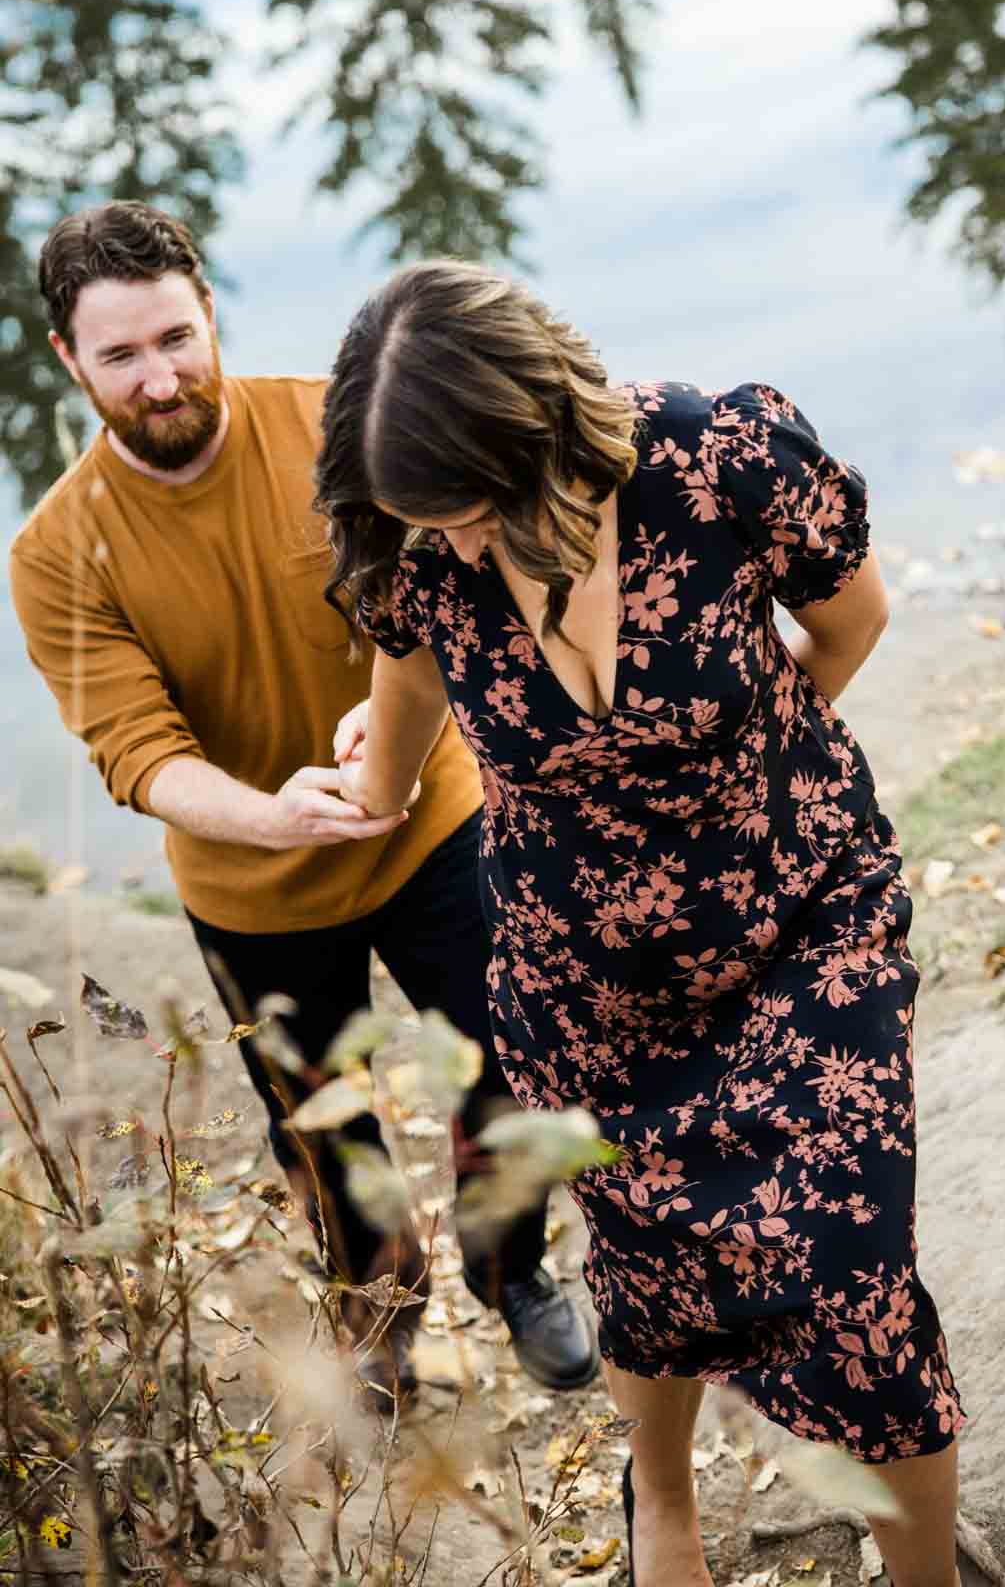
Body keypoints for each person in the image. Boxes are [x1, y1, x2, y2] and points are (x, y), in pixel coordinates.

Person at [315, 260, 966, 1587]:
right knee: (651, 1270)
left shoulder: (721, 456)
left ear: (537, 437)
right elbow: (395, 748)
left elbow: (848, 627)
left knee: (853, 1282)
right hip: (583, 992)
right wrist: (338, 786)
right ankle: (661, 1496)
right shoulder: (422, 555)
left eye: (473, 515)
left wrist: (732, 777)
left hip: (801, 925)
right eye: (429, 527)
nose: (458, 552)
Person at [8, 203, 595, 1406]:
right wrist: (273, 817)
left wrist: (406, 723)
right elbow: (136, 751)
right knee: (322, 1128)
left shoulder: (341, 427)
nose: (159, 378)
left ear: (210, 310)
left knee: (513, 1054)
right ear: (68, 358)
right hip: (253, 887)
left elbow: (456, 589)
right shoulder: (56, 551)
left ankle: (514, 1269)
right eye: (120, 354)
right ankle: (388, 1319)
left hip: (434, 820)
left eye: (176, 336)